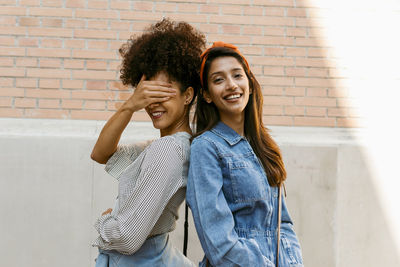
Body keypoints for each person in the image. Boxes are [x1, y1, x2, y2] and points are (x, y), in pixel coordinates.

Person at [91, 18, 205, 266]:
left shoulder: (168, 150)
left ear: (188, 95)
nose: (153, 103)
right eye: (147, 94)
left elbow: (127, 238)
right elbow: (101, 154)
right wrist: (130, 105)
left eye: (162, 93)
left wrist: (104, 222)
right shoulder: (169, 146)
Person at [186, 42, 304, 267]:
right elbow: (219, 244)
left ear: (249, 82)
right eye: (218, 80)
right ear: (207, 95)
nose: (231, 85)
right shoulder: (207, 147)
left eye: (237, 75)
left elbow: (283, 224)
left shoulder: (262, 145)